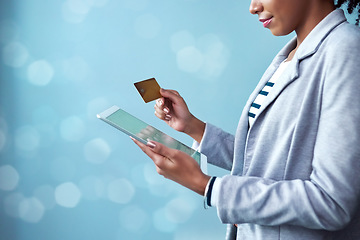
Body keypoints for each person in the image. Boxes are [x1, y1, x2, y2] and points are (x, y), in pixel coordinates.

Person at [131, 0, 360, 239]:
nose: (253, 7)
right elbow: (269, 162)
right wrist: (193, 127)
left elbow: (332, 203)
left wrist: (207, 186)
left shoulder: (345, 50)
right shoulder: (291, 54)